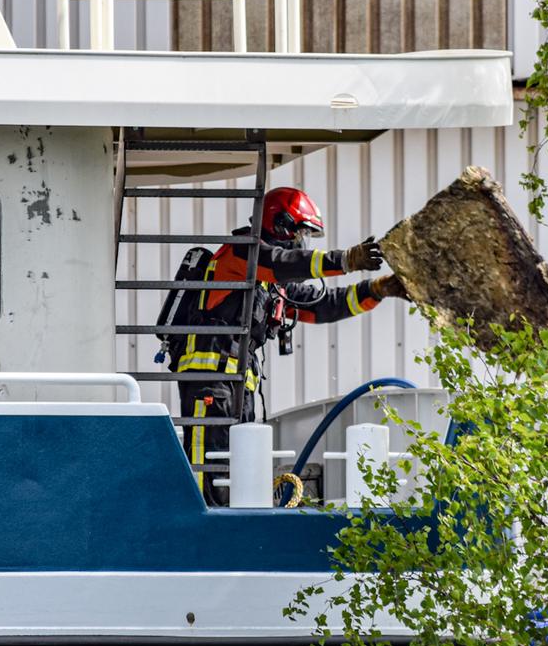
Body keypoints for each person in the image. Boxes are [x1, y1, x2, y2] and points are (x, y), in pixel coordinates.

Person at [171, 186, 408, 504]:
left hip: (237, 386)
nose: (303, 242)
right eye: (301, 233)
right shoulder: (240, 254)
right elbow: (283, 261)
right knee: (209, 467)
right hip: (209, 383)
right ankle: (202, 531)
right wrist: (346, 260)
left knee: (233, 468)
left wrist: (377, 289)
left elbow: (323, 304)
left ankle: (227, 527)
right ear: (280, 224)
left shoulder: (269, 285)